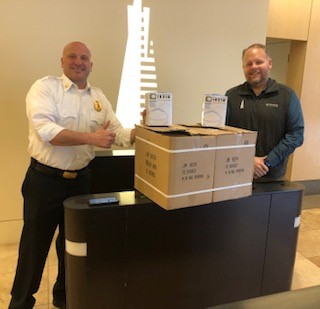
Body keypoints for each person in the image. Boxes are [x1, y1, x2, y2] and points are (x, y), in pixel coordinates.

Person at [9, 41, 135, 309]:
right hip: (44, 181)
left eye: (84, 58)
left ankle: (64, 299)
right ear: (62, 61)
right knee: (34, 248)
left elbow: (118, 134)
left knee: (73, 246)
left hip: (81, 182)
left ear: (91, 65)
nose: (79, 62)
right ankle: (20, 304)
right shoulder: (45, 88)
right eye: (73, 57)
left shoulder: (98, 98)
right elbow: (47, 131)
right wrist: (92, 137)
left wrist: (143, 129)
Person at [225, 43, 304, 181]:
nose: (254, 67)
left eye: (259, 62)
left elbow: (296, 134)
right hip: (235, 173)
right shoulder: (231, 96)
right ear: (243, 68)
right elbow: (223, 134)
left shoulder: (287, 95)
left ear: (269, 63)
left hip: (272, 177)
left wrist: (266, 162)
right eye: (249, 64)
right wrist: (248, 160)